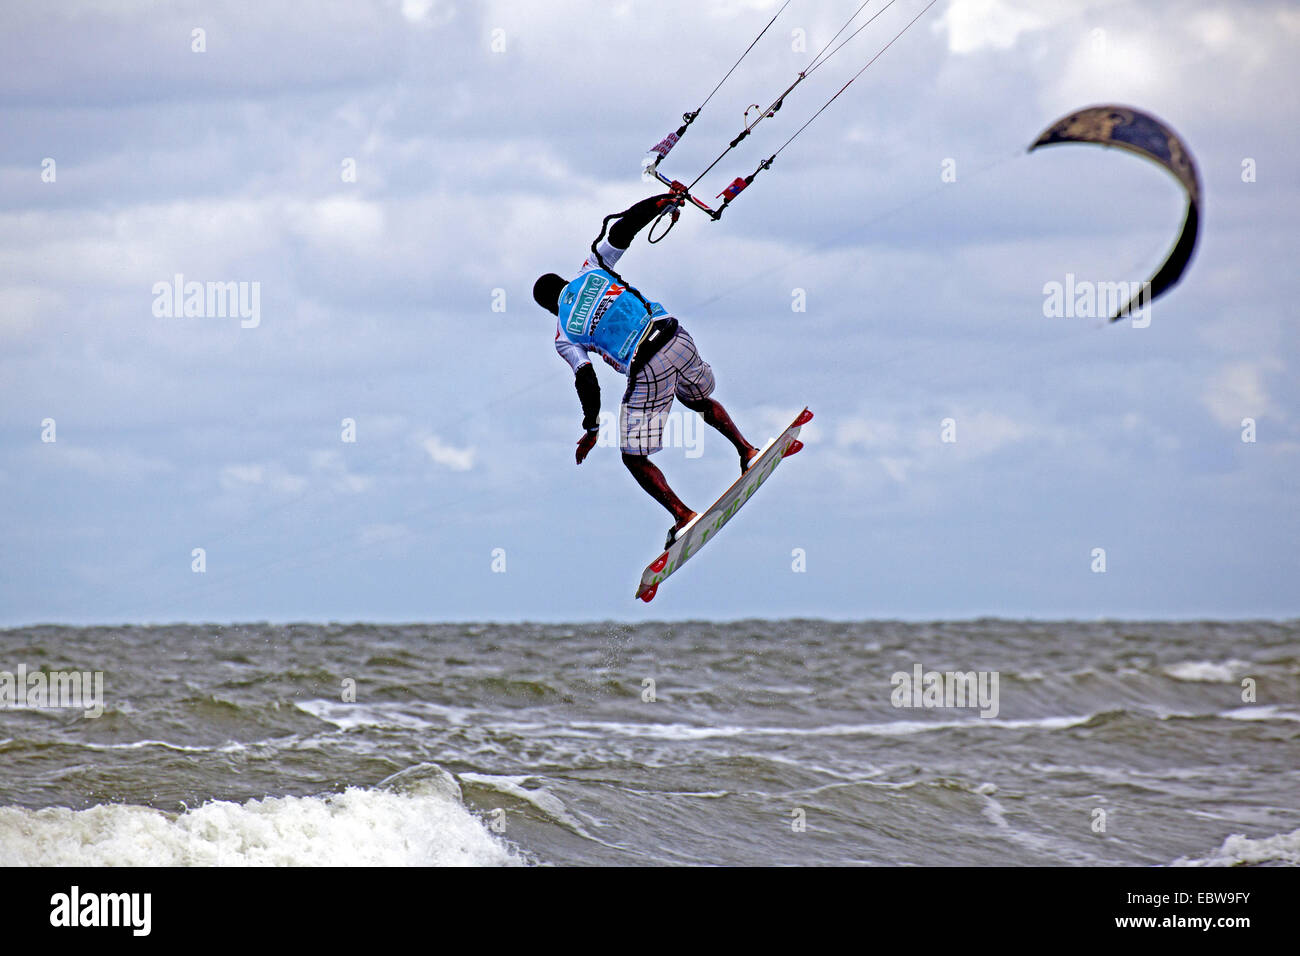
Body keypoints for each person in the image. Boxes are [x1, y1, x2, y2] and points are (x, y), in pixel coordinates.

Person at [532, 194, 760, 548]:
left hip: (647, 364)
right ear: (564, 281)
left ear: (549, 308)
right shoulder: (592, 268)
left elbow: (586, 380)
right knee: (699, 400)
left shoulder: (563, 333)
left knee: (633, 456)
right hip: (676, 335)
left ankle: (683, 515)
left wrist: (592, 428)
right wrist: (660, 202)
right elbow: (625, 228)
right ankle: (747, 450)